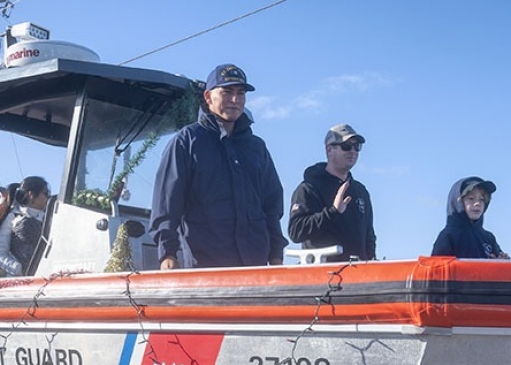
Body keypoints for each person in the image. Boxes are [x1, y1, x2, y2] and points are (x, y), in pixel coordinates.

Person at [149, 63, 286, 269]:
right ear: (207, 97)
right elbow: (167, 203)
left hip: (255, 267)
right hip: (206, 267)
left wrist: (276, 254)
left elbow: (271, 207)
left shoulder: (257, 148)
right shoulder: (186, 142)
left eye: (240, 93)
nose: (234, 100)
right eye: (227, 92)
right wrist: (167, 253)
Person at [288, 123, 376, 262]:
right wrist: (333, 212)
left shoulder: (361, 191)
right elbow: (296, 232)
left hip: (357, 276)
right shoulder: (308, 188)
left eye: (357, 146)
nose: (352, 151)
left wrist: (369, 260)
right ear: (329, 149)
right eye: (346, 146)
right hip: (322, 276)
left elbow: (369, 235)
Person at [0, 176, 49, 276]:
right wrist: (20, 270)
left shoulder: (49, 218)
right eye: (45, 193)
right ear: (31, 194)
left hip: (47, 275)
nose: (47, 198)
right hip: (21, 280)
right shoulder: (13, 217)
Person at [431, 177, 510, 259]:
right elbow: (437, 269)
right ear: (459, 202)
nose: (477, 203)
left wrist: (502, 263)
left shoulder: (489, 238)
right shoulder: (448, 236)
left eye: (482, 199)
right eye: (471, 199)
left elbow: (500, 269)